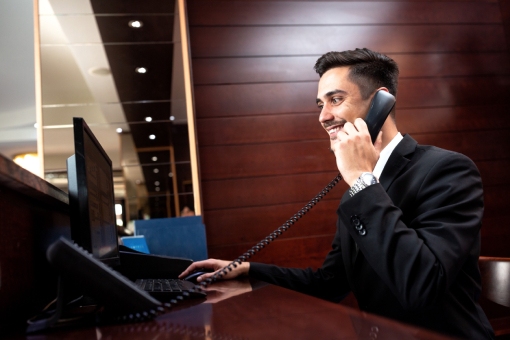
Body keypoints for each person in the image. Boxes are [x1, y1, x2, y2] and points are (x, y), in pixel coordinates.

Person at [180, 48, 494, 339]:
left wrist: (360, 179)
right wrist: (244, 268)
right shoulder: (358, 194)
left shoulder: (447, 170)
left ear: (380, 103)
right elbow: (328, 283)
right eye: (321, 104)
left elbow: (422, 285)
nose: (323, 116)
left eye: (335, 99)